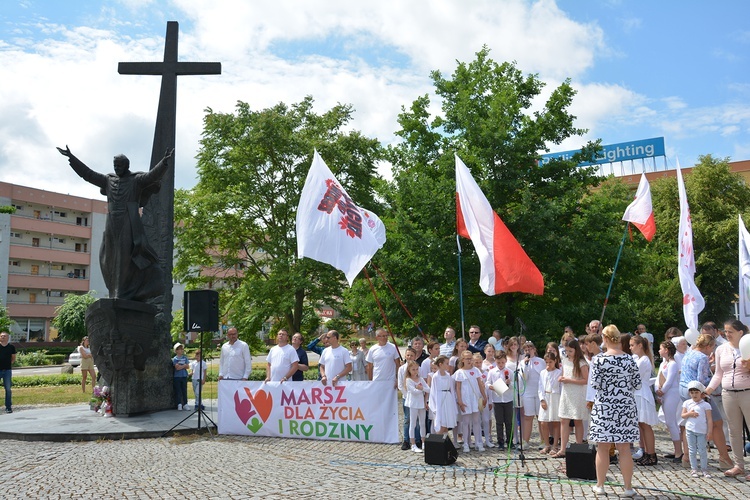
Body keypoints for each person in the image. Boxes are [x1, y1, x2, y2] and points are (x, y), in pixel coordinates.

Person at [57, 146, 173, 302]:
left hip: (129, 221)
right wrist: (72, 158)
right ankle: (116, 291)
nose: (117, 168)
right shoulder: (108, 180)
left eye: (119, 165)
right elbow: (88, 174)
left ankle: (123, 292)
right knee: (109, 257)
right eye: (115, 166)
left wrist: (164, 163)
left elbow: (152, 176)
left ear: (126, 166)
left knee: (125, 257)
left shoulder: (136, 180)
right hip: (111, 223)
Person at [589, 324, 640, 498]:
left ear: (604, 338)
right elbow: (638, 384)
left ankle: (600, 485)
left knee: (602, 448)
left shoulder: (599, 360)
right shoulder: (629, 359)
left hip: (604, 407)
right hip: (625, 407)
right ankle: (627, 488)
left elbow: (595, 383)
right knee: (624, 449)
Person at [679, 333, 733, 468]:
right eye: (712, 347)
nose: (712, 351)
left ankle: (686, 457)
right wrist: (712, 378)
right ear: (708, 346)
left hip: (683, 389)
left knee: (689, 423)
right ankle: (724, 458)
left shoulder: (689, 353)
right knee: (716, 422)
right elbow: (701, 380)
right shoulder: (702, 357)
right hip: (696, 391)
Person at [706, 320, 750, 480]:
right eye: (725, 331)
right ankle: (739, 465)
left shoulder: (748, 346)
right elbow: (718, 373)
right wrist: (708, 390)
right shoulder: (721, 350)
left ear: (740, 332)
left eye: (730, 331)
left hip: (747, 392)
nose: (727, 334)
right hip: (728, 393)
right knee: (733, 430)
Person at [551, 339, 589, 458]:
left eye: (570, 351)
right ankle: (562, 449)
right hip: (566, 393)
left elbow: (586, 380)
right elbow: (564, 374)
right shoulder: (565, 361)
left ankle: (578, 447)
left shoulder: (582, 362)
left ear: (576, 350)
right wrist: (562, 378)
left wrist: (569, 380)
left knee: (577, 420)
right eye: (566, 351)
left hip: (577, 393)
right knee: (564, 419)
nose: (568, 353)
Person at [630, 335, 658, 466]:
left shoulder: (644, 360)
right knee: (641, 425)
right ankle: (647, 452)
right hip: (638, 392)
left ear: (640, 345)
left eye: (632, 345)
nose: (630, 348)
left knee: (645, 425)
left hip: (642, 392)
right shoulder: (638, 359)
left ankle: (651, 454)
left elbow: (634, 377)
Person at [454, 351, 487, 453]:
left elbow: (480, 384)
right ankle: (466, 443)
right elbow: (458, 388)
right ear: (462, 360)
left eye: (470, 358)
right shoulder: (459, 372)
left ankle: (478, 442)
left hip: (475, 398)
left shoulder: (476, 370)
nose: (469, 361)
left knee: (477, 421)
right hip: (465, 399)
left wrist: (484, 397)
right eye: (467, 359)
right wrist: (460, 401)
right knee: (466, 422)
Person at [655, 340, 682, 459]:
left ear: (666, 350)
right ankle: (677, 449)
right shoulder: (663, 363)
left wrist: (662, 391)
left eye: (661, 348)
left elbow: (670, 380)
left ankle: (678, 451)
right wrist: (657, 389)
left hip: (672, 393)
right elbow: (658, 377)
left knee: (671, 422)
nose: (659, 351)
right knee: (670, 422)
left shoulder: (673, 364)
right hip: (665, 394)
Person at [682, 380, 714, 478]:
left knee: (702, 450)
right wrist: (689, 414)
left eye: (696, 392)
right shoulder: (687, 403)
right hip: (690, 430)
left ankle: (704, 468)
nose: (694, 395)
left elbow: (709, 419)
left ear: (701, 393)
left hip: (701, 431)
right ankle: (694, 468)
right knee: (692, 450)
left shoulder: (705, 405)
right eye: (692, 393)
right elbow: (683, 415)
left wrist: (710, 431)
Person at [519, 341, 544, 448]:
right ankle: (525, 441)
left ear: (534, 349)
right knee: (528, 417)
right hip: (528, 392)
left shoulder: (541, 361)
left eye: (530, 348)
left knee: (540, 417)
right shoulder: (522, 362)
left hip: (539, 393)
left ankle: (543, 440)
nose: (528, 350)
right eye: (526, 349)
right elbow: (524, 377)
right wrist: (525, 365)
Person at [487, 351, 513, 450]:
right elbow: (487, 382)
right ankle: (500, 442)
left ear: (505, 361)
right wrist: (490, 386)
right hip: (497, 400)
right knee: (499, 422)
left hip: (508, 399)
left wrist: (509, 383)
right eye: (498, 363)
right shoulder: (492, 371)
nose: (501, 365)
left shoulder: (509, 372)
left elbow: (514, 386)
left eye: (502, 362)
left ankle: (510, 441)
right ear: (495, 361)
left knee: (509, 422)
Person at [538, 351, 562, 454]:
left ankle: (555, 445)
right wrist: (542, 399)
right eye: (546, 362)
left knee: (556, 422)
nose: (548, 364)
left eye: (550, 362)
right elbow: (540, 387)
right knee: (544, 422)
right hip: (546, 396)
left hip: (555, 397)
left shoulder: (559, 372)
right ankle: (547, 444)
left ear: (555, 361)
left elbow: (560, 387)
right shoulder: (543, 372)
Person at [404, 360, 430, 453]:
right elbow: (413, 392)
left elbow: (428, 389)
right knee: (413, 423)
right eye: (413, 369)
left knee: (422, 423)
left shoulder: (421, 379)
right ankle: (413, 444)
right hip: (413, 403)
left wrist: (421, 388)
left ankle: (423, 442)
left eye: (416, 369)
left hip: (421, 403)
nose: (415, 371)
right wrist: (421, 390)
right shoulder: (408, 380)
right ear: (409, 370)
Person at [428, 355, 457, 434]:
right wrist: (434, 405)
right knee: (442, 422)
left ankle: (445, 442)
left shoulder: (448, 375)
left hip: (448, 399)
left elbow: (451, 389)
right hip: (439, 399)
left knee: (447, 423)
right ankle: (438, 440)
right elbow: (433, 391)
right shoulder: (436, 376)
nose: (448, 365)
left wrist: (453, 403)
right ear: (440, 364)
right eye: (446, 363)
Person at [397, 348, 419, 450]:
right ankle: (406, 440)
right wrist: (407, 395)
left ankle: (417, 439)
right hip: (407, 397)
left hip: (417, 397)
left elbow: (419, 382)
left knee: (417, 420)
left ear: (415, 357)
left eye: (412, 355)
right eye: (408, 355)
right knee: (407, 419)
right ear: (405, 356)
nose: (409, 357)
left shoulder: (418, 368)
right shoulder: (402, 369)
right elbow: (400, 385)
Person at [473, 353, 495, 448]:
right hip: (475, 399)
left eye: (480, 362)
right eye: (476, 362)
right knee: (476, 421)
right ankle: (478, 440)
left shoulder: (486, 373)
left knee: (486, 420)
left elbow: (489, 388)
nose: (478, 364)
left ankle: (487, 439)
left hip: (485, 399)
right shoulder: (472, 373)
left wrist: (490, 401)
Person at [0, 332, 16, 413]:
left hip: (7, 371)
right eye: (1, 336)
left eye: (4, 336)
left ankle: (8, 407)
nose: (3, 337)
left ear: (8, 337)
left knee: (8, 389)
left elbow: (13, 358)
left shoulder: (11, 347)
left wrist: (8, 364)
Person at [172, 343, 190, 411]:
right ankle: (179, 404)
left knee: (184, 390)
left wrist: (182, 366)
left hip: (184, 376)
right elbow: (177, 368)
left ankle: (185, 404)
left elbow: (188, 366)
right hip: (177, 376)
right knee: (178, 390)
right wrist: (184, 365)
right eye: (180, 349)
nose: (182, 350)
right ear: (176, 350)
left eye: (182, 349)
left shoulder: (185, 357)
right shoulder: (175, 359)